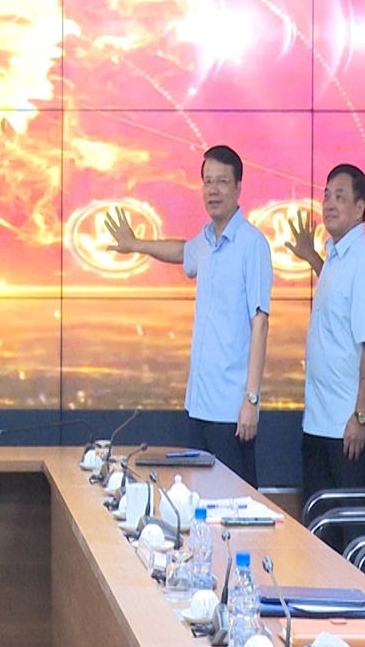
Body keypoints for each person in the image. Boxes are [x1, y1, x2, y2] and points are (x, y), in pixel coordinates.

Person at [105, 145, 272, 487]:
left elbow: (260, 323)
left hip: (231, 410)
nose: (213, 190)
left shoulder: (252, 244)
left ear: (238, 187)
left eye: (222, 181)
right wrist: (137, 244)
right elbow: (182, 251)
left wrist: (250, 400)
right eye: (208, 182)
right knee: (199, 500)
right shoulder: (206, 240)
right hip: (198, 406)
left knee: (235, 504)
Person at [287, 164, 365, 549]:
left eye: (340, 196)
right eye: (326, 195)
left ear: (361, 208)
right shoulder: (337, 256)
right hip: (320, 419)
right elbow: (337, 298)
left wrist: (360, 417)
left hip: (347, 427)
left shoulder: (364, 263)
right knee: (322, 533)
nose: (328, 203)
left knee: (355, 534)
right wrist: (312, 257)